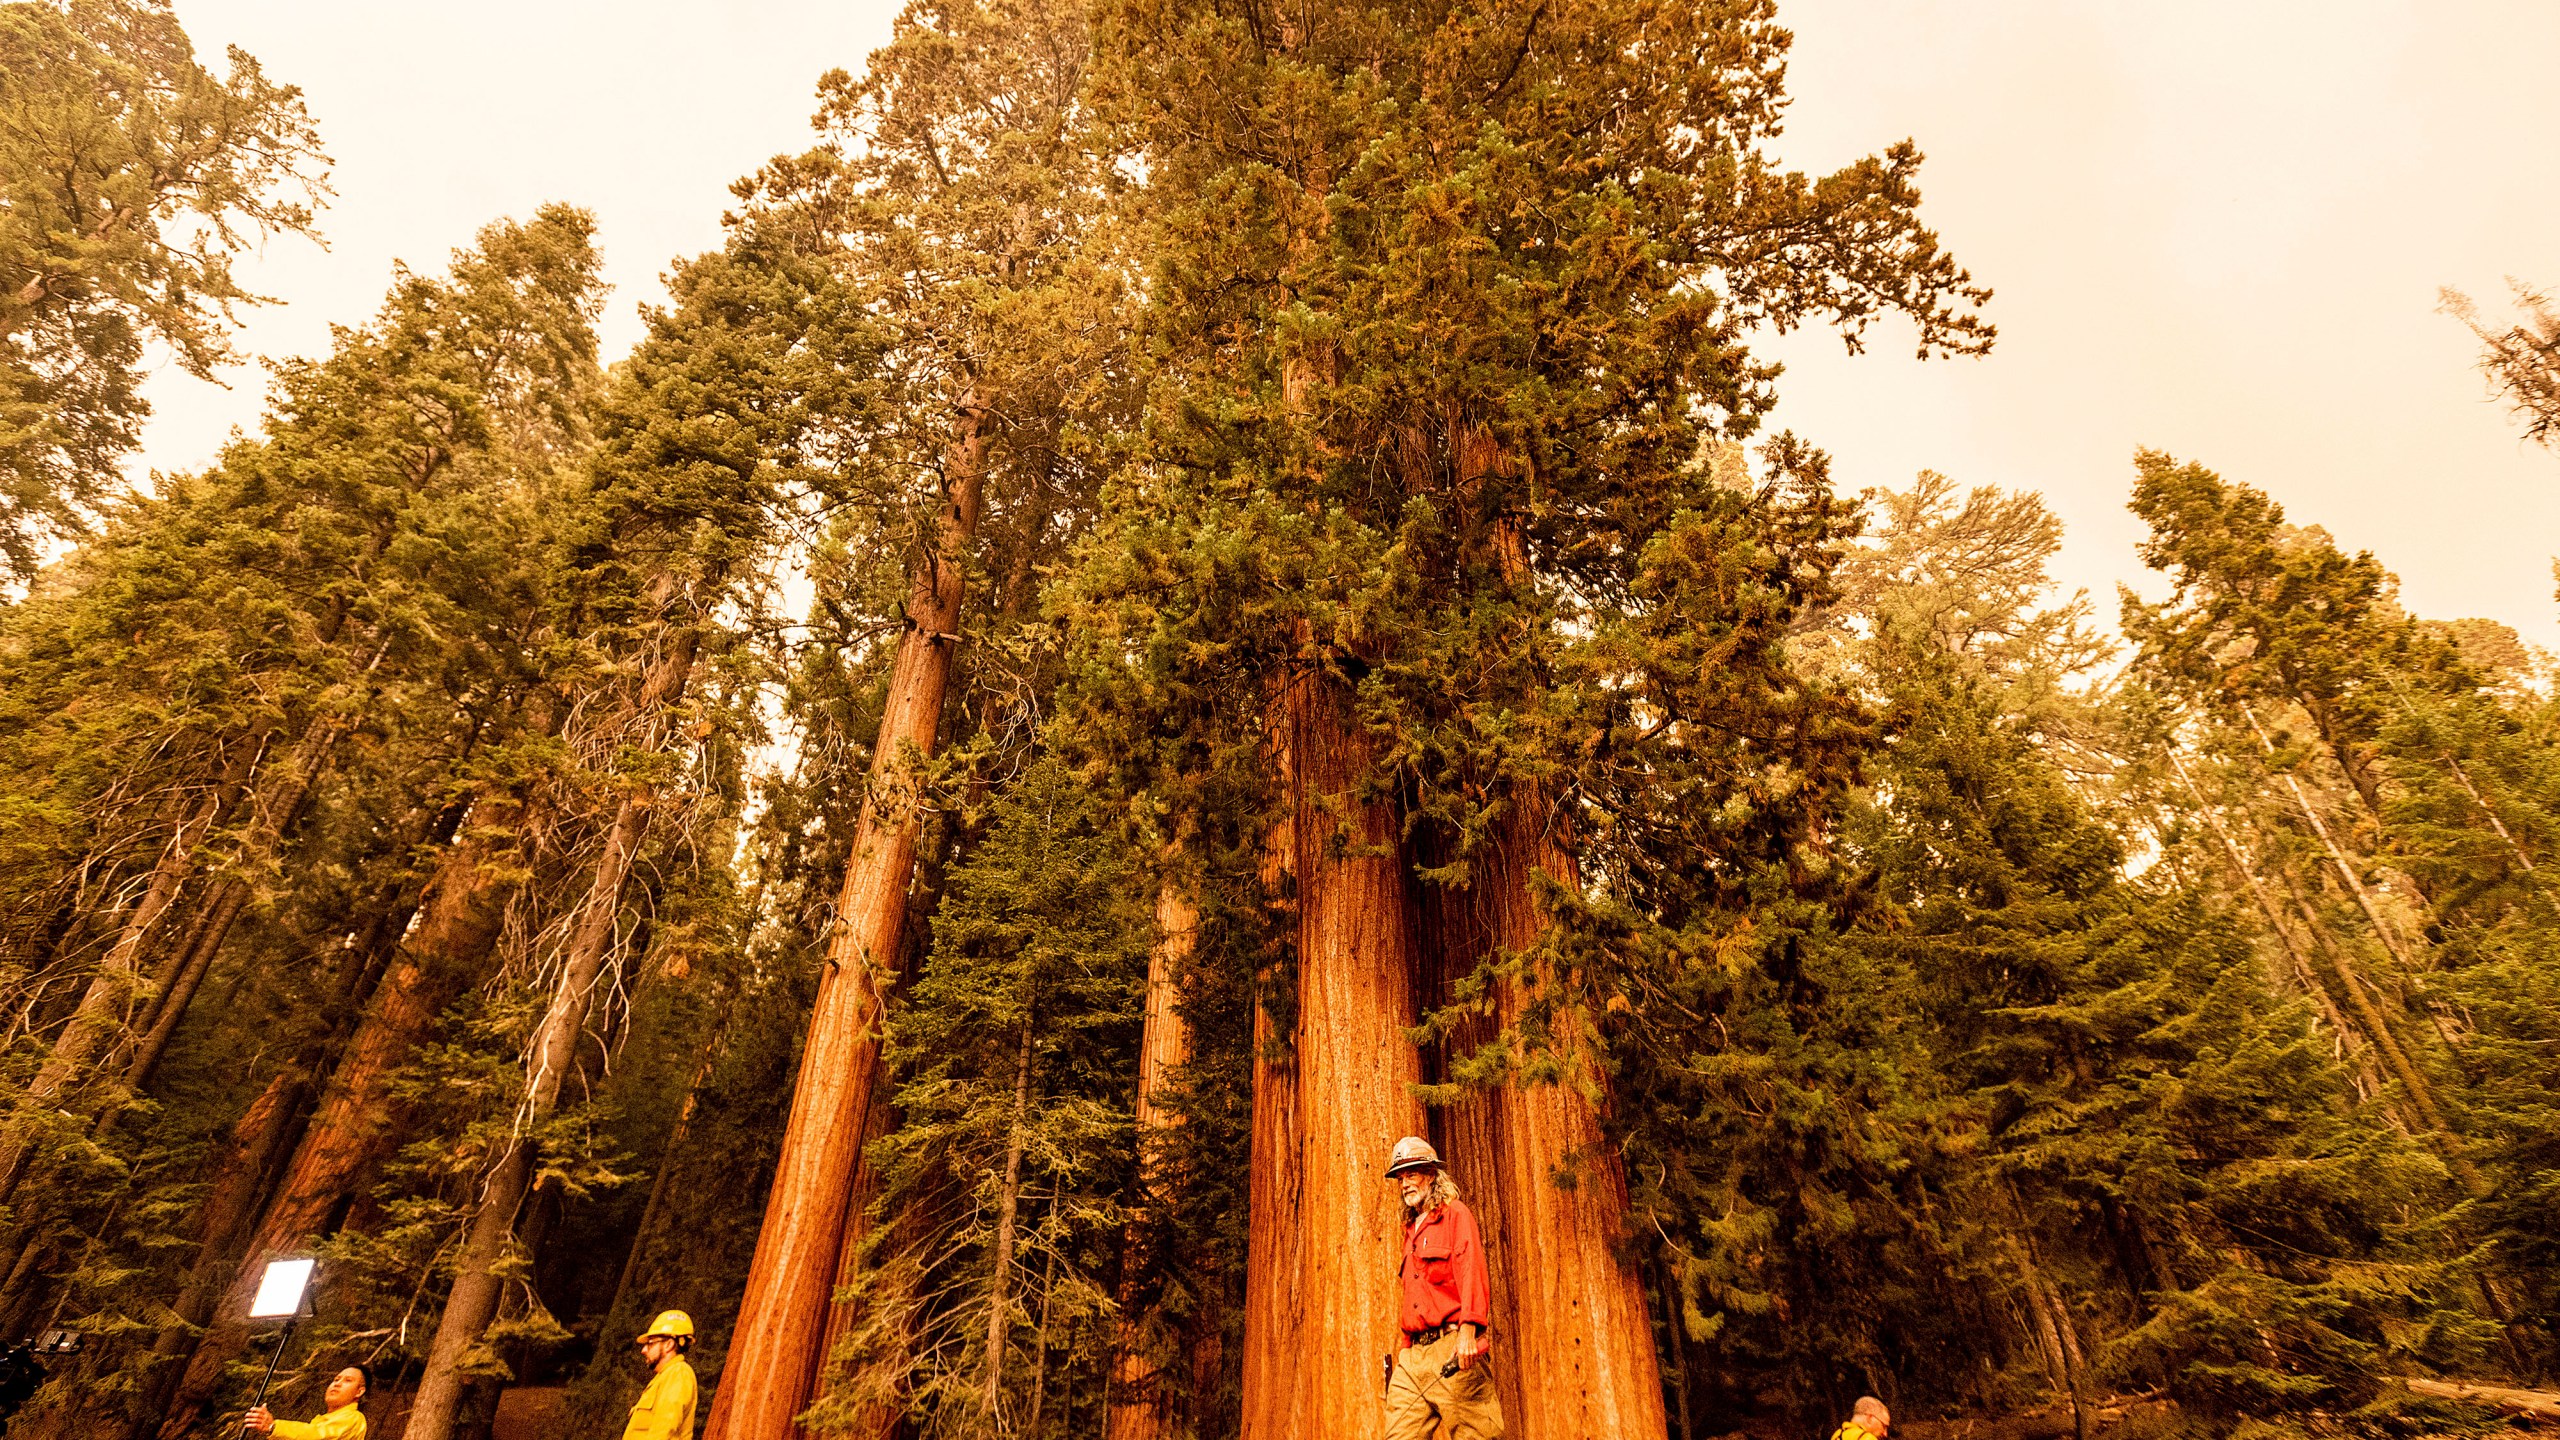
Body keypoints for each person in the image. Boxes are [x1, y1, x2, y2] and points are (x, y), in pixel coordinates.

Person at [1383, 1135, 1504, 1440]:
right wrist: (1405, 1352)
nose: (1405, 1183)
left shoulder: (1455, 1215)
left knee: (1477, 1436)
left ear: (1431, 1175)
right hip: (1413, 1359)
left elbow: (1471, 1271)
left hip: (1452, 1349)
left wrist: (1468, 1332)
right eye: (1400, 1177)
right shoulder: (1410, 1229)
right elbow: (1414, 1297)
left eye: (1412, 1174)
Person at [622, 1309, 700, 1440]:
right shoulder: (664, 1377)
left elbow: (664, 1428)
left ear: (669, 1345)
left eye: (650, 1343)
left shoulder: (678, 1373)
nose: (643, 1350)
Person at [241, 1364, 369, 1440]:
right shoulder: (321, 1421)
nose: (337, 1384)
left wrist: (274, 1427)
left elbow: (317, 1436)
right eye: (336, 1379)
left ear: (359, 1391)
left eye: (348, 1380)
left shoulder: (354, 1418)